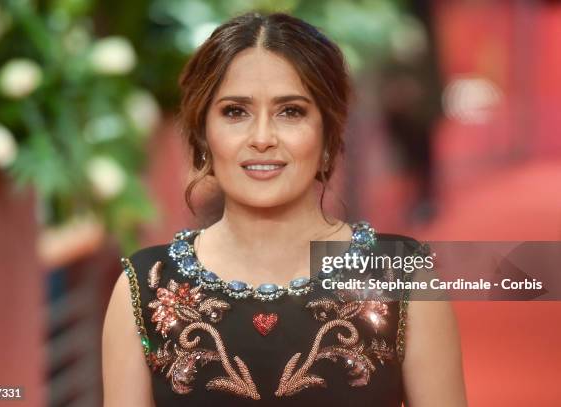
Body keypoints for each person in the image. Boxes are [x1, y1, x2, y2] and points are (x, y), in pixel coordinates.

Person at [102, 12, 467, 407]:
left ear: (328, 133)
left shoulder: (402, 276)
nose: (262, 138)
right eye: (235, 112)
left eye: (290, 111)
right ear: (202, 134)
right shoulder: (147, 288)